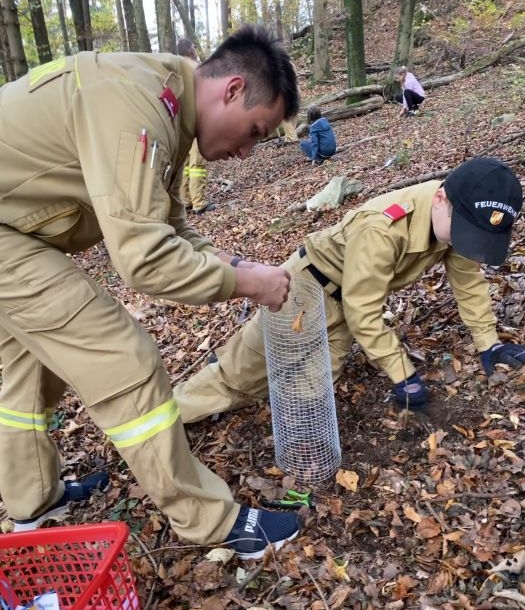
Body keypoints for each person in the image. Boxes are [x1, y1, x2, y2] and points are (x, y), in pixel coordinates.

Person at [0, 25, 302, 561]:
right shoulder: (135, 105)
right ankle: (210, 519)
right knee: (122, 355)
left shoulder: (163, 101)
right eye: (255, 131)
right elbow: (145, 258)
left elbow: (170, 227)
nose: (248, 150)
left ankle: (32, 502)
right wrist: (247, 282)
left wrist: (240, 265)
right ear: (232, 89)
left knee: (29, 364)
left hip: (15, 228)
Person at [173, 157, 524, 423]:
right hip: (302, 290)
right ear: (441, 199)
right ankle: (162, 421)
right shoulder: (383, 229)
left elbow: (468, 282)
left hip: (345, 301)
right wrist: (402, 372)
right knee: (238, 378)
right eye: (464, 233)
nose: (466, 243)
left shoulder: (454, 220)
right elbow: (364, 310)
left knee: (313, 390)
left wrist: (488, 343)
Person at [177, 38, 215, 215]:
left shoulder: (175, 69)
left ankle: (185, 200)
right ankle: (199, 202)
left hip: (180, 125)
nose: (195, 51)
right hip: (196, 122)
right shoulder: (196, 69)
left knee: (185, 164)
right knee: (197, 164)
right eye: (194, 48)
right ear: (190, 51)